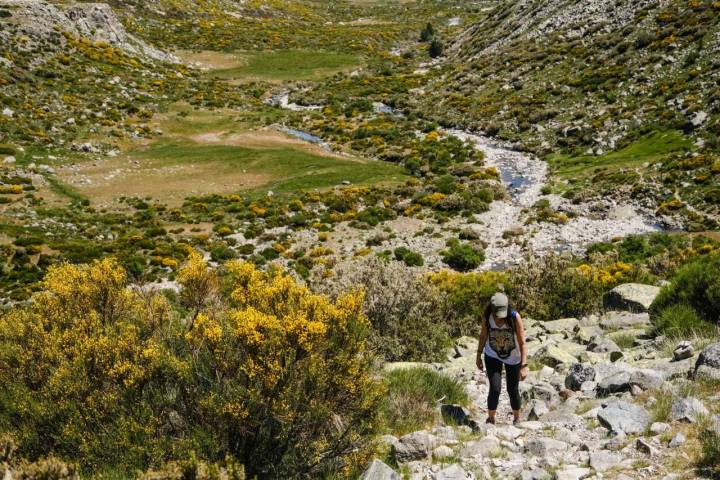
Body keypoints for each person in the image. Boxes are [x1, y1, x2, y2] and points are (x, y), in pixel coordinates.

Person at [475, 292, 528, 425]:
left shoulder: (515, 317)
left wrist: (524, 365)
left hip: (513, 357)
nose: (500, 317)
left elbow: (522, 343)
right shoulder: (487, 316)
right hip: (492, 354)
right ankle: (491, 418)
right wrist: (478, 355)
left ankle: (517, 418)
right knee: (495, 387)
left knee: (512, 388)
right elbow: (483, 336)